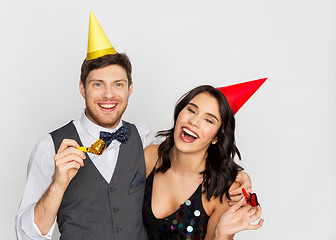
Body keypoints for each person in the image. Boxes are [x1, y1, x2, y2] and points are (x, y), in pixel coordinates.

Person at [15, 12, 253, 240]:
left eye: (118, 84)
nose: (109, 95)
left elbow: (189, 157)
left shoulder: (143, 139)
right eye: (98, 84)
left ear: (129, 89)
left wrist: (238, 177)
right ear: (82, 88)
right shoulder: (49, 148)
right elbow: (26, 235)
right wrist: (58, 185)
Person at [142, 84, 265, 240]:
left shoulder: (223, 191)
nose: (194, 121)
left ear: (217, 137)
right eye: (191, 110)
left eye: (208, 120)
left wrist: (221, 235)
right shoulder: (151, 156)